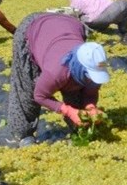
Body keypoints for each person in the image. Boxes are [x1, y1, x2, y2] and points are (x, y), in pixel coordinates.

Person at [7, 12, 111, 146]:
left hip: (68, 24)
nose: (92, 79)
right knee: (27, 89)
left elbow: (91, 91)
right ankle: (24, 135)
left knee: (77, 96)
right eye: (89, 75)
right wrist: (67, 110)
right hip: (34, 29)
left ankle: (77, 128)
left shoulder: (95, 62)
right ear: (80, 67)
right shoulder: (56, 71)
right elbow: (40, 96)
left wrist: (90, 107)